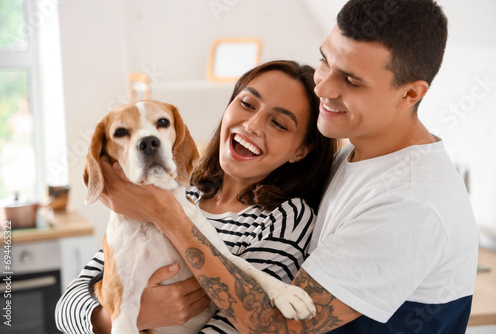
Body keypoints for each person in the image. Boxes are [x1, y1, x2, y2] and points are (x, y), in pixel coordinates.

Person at [93, 0, 479, 333]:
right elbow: (87, 288)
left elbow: (277, 327)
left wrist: (165, 215)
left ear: (410, 93)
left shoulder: (410, 203)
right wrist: (116, 315)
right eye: (326, 60)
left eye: (351, 80)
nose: (323, 86)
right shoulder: (352, 159)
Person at [55, 60, 339, 333]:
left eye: (279, 123)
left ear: (301, 151)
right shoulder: (176, 193)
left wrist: (165, 216)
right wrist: (128, 316)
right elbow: (68, 307)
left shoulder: (286, 218)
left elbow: (253, 322)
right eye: (247, 104)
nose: (252, 125)